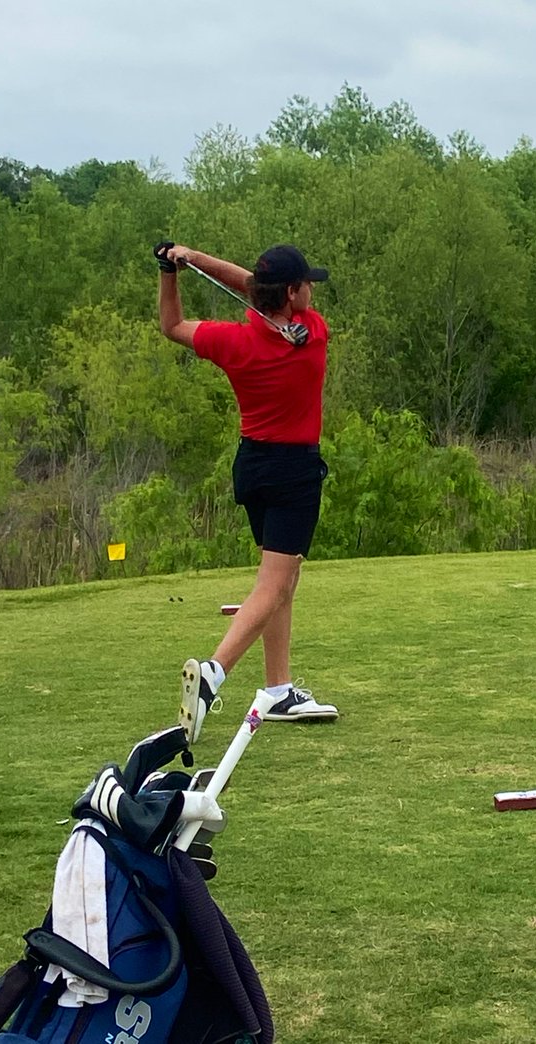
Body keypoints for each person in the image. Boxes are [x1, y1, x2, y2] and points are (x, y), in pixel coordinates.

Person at [155, 240, 338, 742]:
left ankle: (278, 689)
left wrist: (176, 268)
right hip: (293, 470)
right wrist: (199, 260)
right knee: (274, 585)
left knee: (284, 575)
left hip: (252, 464)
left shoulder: (235, 341)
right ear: (296, 293)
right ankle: (214, 674)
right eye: (307, 286)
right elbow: (254, 289)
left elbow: (172, 326)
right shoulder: (313, 335)